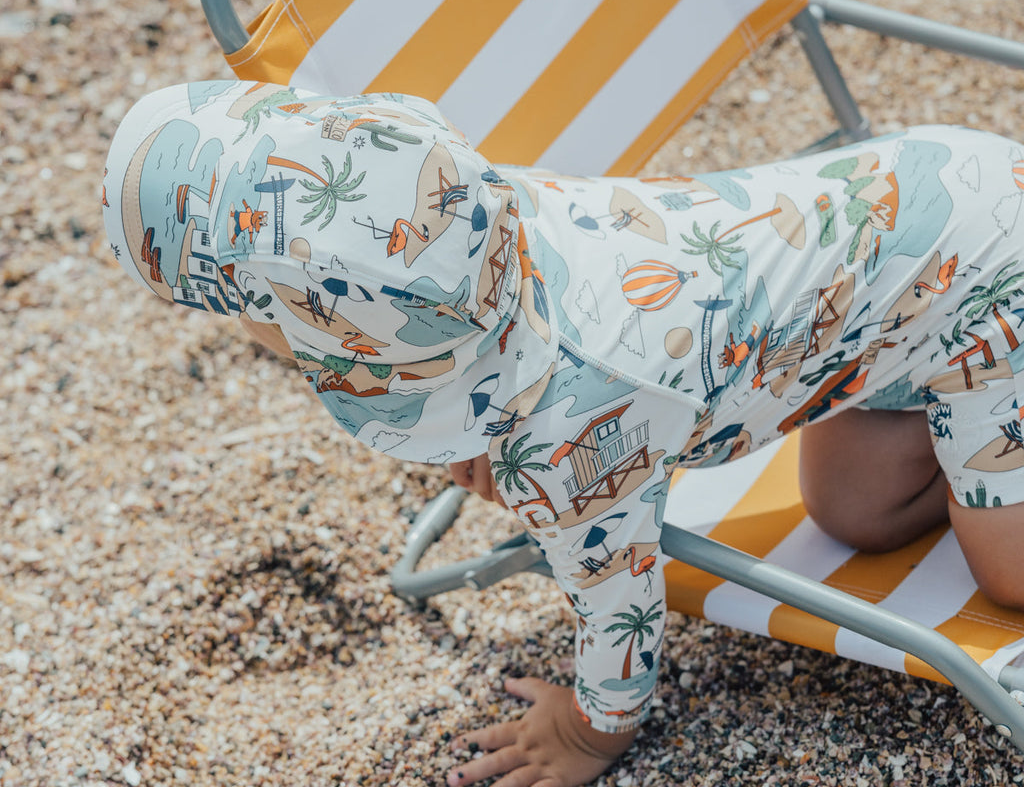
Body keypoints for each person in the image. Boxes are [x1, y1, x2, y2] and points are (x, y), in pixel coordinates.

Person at [103, 80, 1024, 787]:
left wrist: (593, 731)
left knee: (1009, 578)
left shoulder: (571, 441)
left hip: (992, 283)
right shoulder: (482, 215)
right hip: (911, 288)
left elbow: (617, 591)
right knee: (849, 513)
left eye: (250, 321)